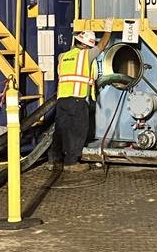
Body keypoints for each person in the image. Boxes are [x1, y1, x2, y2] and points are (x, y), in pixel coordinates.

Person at [48, 18, 113, 171]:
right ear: (86, 45)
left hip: (62, 100)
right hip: (77, 99)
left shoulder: (62, 57)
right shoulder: (86, 55)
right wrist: (108, 29)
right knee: (78, 130)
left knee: (61, 130)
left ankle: (54, 160)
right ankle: (71, 163)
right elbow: (102, 45)